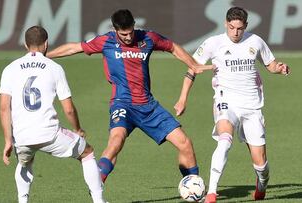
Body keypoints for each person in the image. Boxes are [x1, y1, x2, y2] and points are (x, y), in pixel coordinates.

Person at [47, 9, 214, 184]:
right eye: (123, 34)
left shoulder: (148, 38)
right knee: (115, 142)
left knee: (185, 144)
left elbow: (172, 47)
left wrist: (192, 65)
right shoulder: (105, 41)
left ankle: (193, 186)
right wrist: (45, 56)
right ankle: (96, 189)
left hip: (148, 106)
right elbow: (75, 47)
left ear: (134, 26)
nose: (127, 37)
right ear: (115, 30)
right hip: (122, 104)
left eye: (130, 32)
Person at [174, 7, 290, 203]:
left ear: (245, 26)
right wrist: (183, 98)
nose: (235, 32)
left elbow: (271, 65)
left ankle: (262, 183)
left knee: (261, 163)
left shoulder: (255, 41)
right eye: (231, 27)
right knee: (224, 140)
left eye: (239, 28)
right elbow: (193, 68)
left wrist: (280, 68)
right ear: (226, 24)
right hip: (225, 101)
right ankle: (211, 192)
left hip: (252, 106)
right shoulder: (213, 43)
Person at [0, 26, 106, 203]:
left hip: (22, 135)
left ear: (26, 45)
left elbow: (4, 108)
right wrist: (77, 129)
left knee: (25, 162)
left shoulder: (10, 69)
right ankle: (99, 201)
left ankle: (22, 200)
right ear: (47, 44)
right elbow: (69, 108)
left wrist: (8, 140)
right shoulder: (54, 67)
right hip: (50, 134)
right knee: (87, 153)